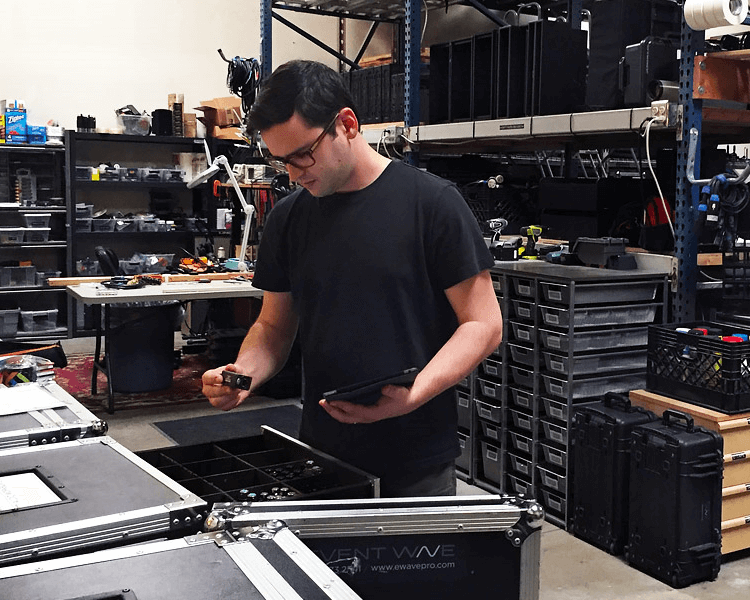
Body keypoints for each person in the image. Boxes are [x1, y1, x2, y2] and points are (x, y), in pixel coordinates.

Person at [202, 60, 503, 497]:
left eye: (304, 154)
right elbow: (273, 327)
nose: (294, 174)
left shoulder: (433, 205)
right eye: (282, 160)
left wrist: (414, 394)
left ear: (346, 124)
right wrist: (242, 373)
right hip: (322, 454)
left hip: (415, 458)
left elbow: (483, 324)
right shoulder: (289, 219)